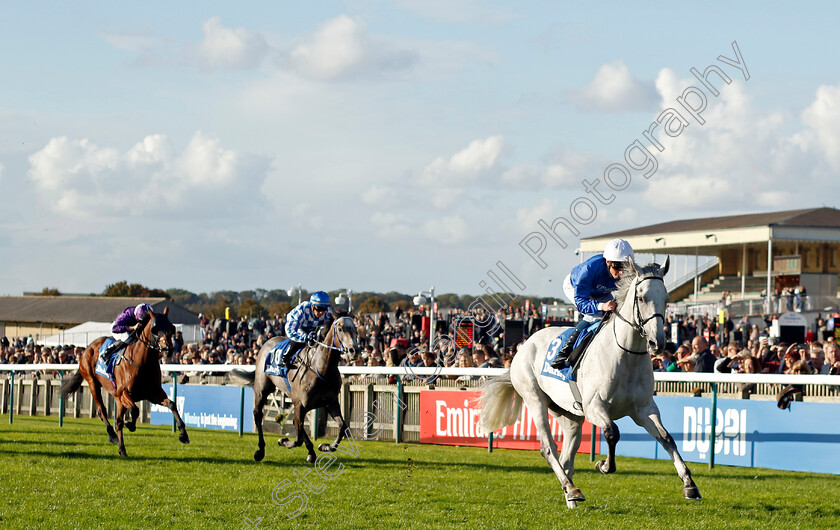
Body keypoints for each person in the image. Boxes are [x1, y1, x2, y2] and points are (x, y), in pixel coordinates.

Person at [551, 238, 634, 369]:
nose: (622, 272)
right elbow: (581, 303)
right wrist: (601, 306)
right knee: (592, 316)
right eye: (617, 267)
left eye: (625, 266)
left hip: (600, 291)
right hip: (577, 288)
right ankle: (564, 351)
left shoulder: (628, 272)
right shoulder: (589, 269)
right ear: (608, 262)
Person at [282, 291, 334, 368]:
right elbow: (291, 330)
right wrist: (306, 337)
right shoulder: (301, 312)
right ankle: (286, 357)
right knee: (299, 342)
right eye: (319, 309)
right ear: (312, 306)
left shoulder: (327, 313)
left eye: (324, 309)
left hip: (313, 328)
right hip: (298, 327)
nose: (322, 312)